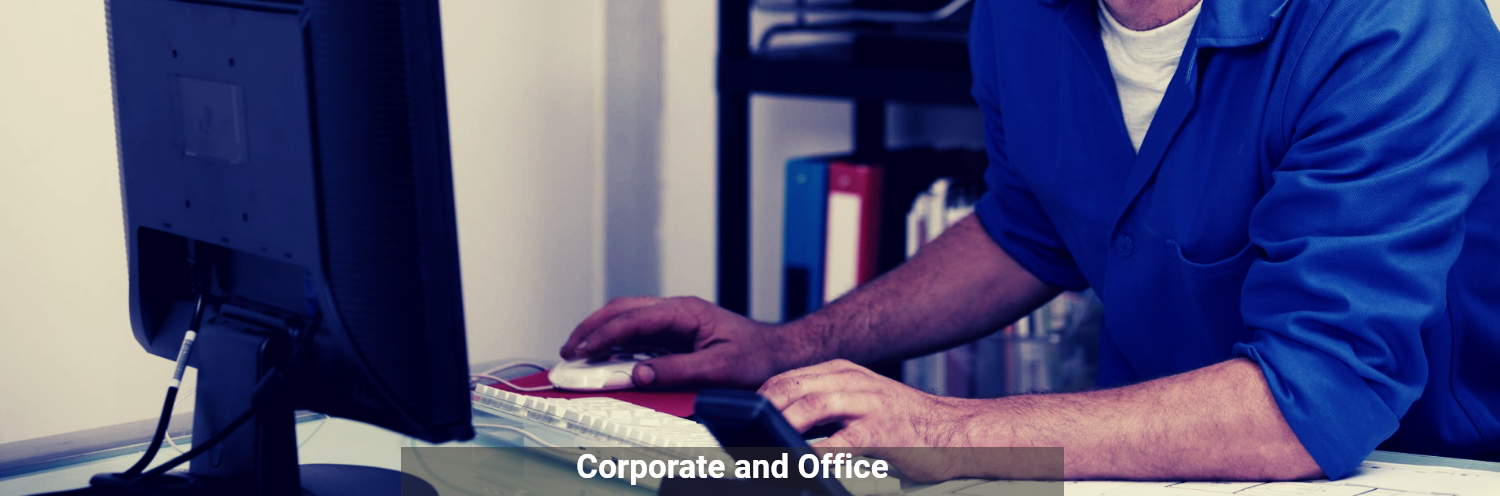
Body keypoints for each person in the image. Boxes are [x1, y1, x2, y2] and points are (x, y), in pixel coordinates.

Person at [562, 0, 1500, 482]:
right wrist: (786, 347)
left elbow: (1314, 398)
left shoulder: (1391, 24)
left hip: (1424, 467)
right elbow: (1028, 228)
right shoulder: (1018, 15)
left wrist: (943, 430)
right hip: (1156, 468)